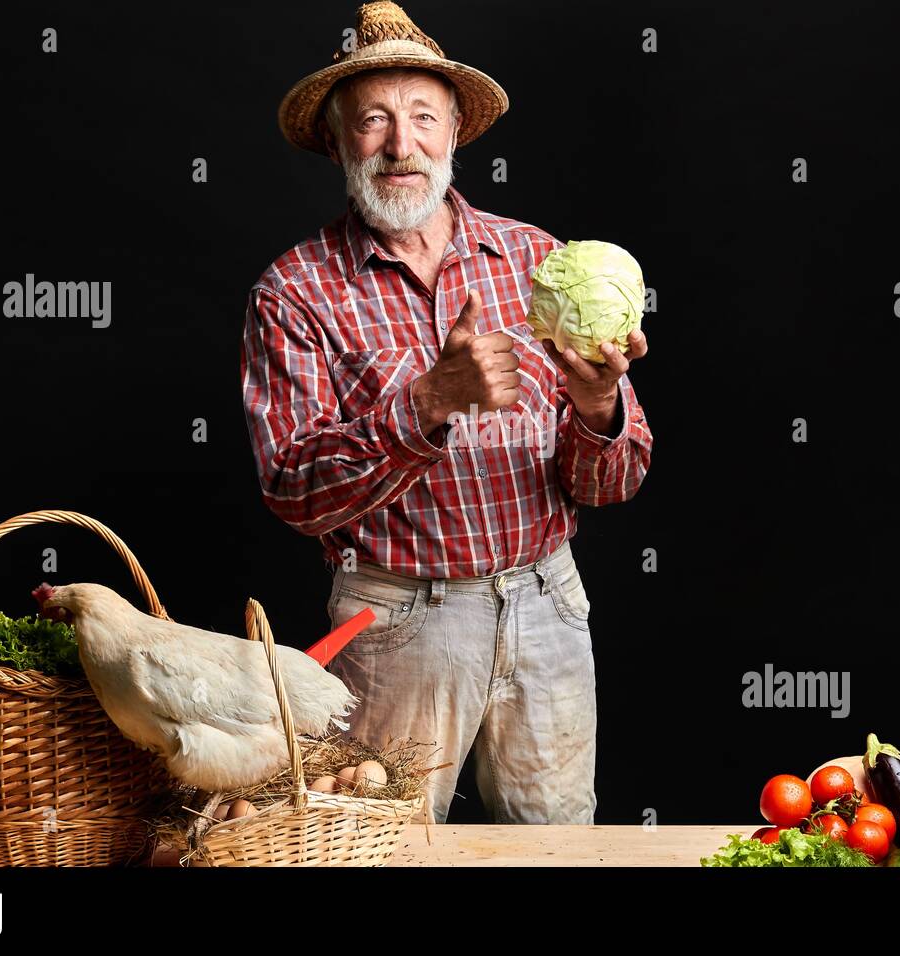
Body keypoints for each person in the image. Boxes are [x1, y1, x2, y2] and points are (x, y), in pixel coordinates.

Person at [241, 2, 653, 825]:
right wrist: (429, 402)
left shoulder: (538, 262)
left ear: (455, 130)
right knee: (380, 843)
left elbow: (612, 483)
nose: (401, 145)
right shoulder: (294, 292)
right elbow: (293, 492)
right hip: (396, 621)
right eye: (373, 122)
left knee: (557, 846)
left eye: (423, 117)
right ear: (335, 140)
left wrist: (599, 404)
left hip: (547, 605)